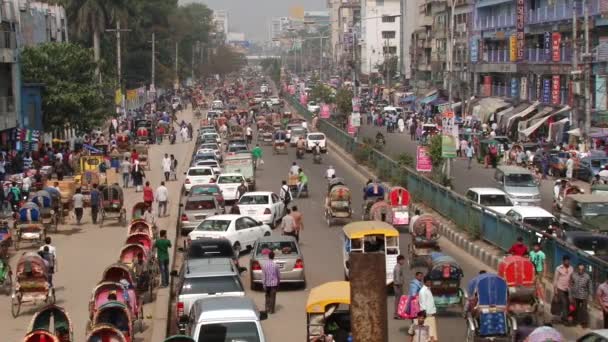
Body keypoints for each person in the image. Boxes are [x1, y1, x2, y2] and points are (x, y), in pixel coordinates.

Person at [570, 263, 592, 328]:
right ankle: (575, 321)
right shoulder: (574, 275)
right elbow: (571, 284)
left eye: (582, 269)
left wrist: (590, 296)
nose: (581, 270)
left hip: (584, 296)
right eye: (579, 269)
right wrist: (571, 295)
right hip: (575, 295)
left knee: (584, 310)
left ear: (584, 270)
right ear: (577, 269)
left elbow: (590, 286)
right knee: (575, 309)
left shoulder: (587, 276)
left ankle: (584, 323)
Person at [553, 255, 573, 323]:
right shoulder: (558, 268)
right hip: (560, 288)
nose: (567, 262)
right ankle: (565, 318)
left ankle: (561, 317)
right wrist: (555, 291)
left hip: (567, 289)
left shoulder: (571, 268)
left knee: (567, 304)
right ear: (563, 261)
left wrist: (571, 288)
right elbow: (555, 279)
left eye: (568, 260)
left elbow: (571, 279)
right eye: (566, 261)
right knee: (564, 303)